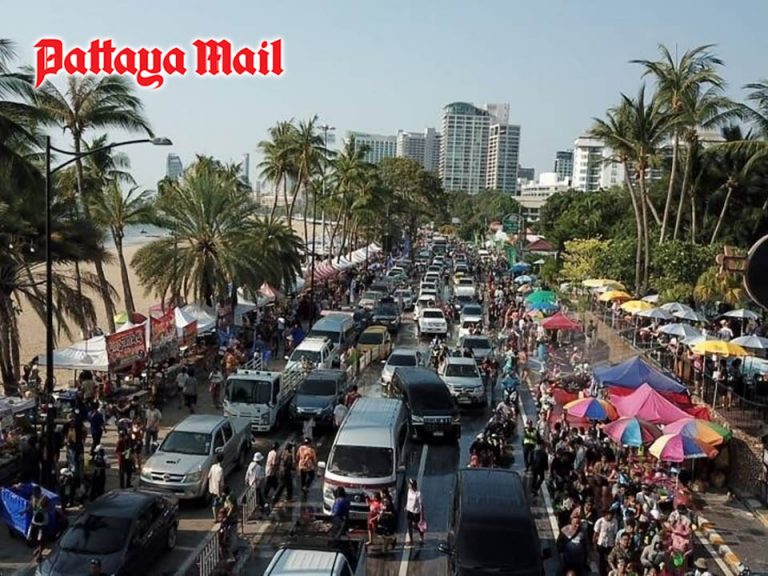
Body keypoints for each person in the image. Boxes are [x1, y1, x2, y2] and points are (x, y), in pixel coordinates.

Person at [26, 486, 48, 563]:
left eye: (36, 493)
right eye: (34, 493)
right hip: (34, 520)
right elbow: (30, 506)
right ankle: (38, 548)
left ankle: (40, 554)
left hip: (42, 521)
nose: (34, 494)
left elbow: (50, 508)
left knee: (40, 538)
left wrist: (43, 509)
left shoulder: (45, 498)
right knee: (31, 536)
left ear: (39, 492)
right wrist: (24, 511)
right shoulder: (32, 497)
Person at [405, 478, 425, 546]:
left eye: (410, 484)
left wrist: (422, 516)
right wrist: (406, 506)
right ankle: (411, 540)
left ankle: (421, 534)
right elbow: (408, 500)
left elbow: (421, 505)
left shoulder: (418, 494)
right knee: (409, 525)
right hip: (409, 511)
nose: (408, 485)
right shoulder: (409, 491)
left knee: (415, 525)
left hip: (416, 512)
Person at [208, 454, 225, 521]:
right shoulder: (220, 470)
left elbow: (209, 476)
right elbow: (219, 482)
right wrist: (219, 492)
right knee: (217, 505)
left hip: (212, 489)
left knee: (215, 503)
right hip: (217, 490)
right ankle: (217, 518)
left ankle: (217, 517)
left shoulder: (213, 467)